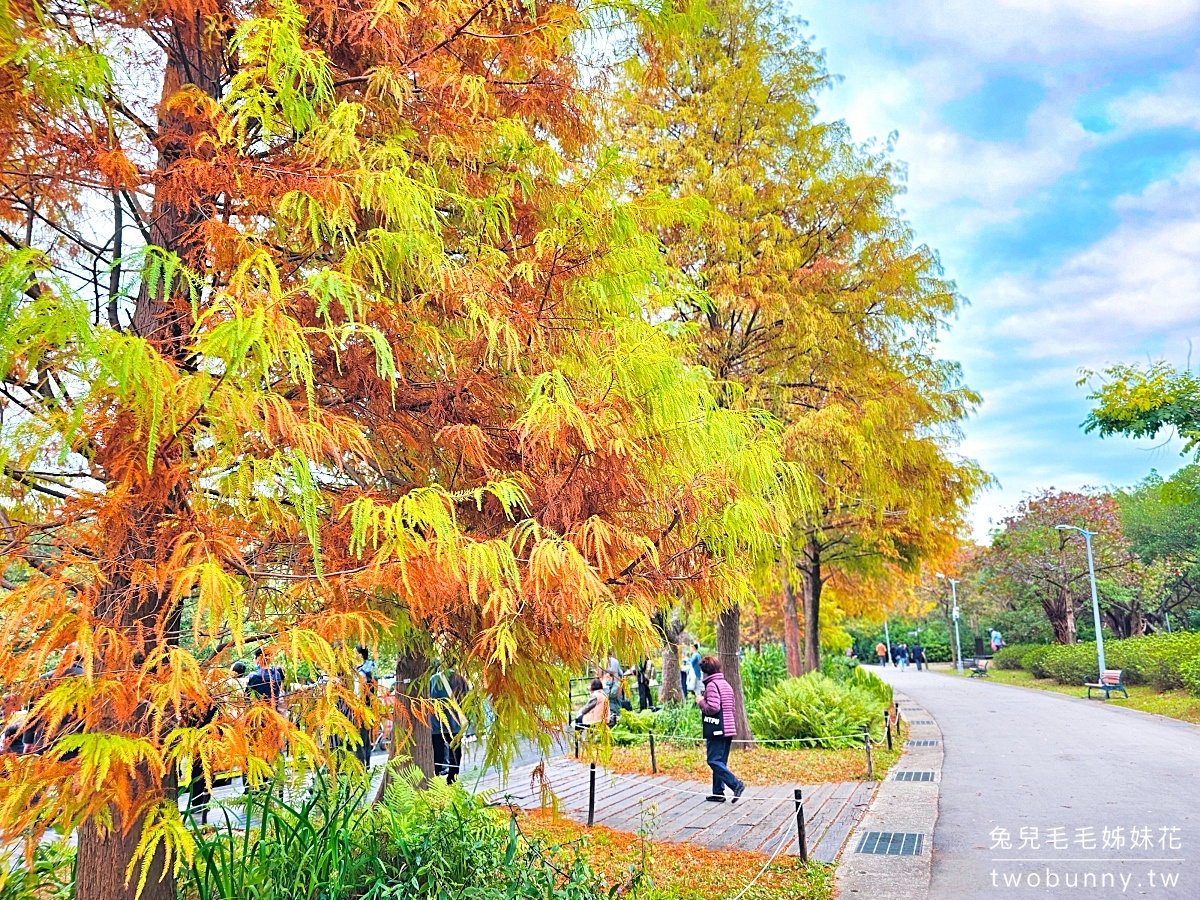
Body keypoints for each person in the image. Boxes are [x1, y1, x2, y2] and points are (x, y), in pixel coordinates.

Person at [696, 656, 744, 802]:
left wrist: (700, 702)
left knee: (713, 761)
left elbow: (713, 707)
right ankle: (718, 793)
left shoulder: (711, 685)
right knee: (720, 761)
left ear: (705, 671)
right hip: (728, 728)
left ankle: (736, 784)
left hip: (717, 728)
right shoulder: (725, 684)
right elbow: (732, 707)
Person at [430, 667, 467, 782]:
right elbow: (466, 698)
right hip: (454, 723)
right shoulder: (458, 678)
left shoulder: (432, 680)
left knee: (437, 752)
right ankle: (452, 779)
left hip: (436, 724)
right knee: (455, 752)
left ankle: (435, 780)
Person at [354, 646, 378, 769]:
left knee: (360, 737)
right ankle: (366, 764)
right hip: (364, 707)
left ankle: (362, 766)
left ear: (360, 654)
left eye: (354, 653)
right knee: (364, 737)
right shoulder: (366, 667)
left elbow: (364, 681)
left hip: (364, 707)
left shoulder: (367, 667)